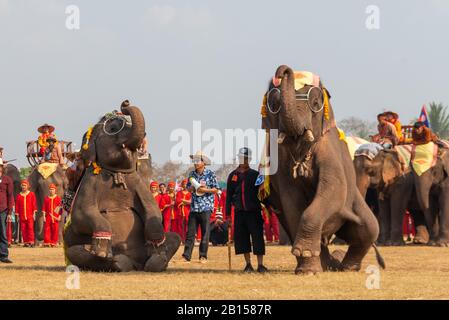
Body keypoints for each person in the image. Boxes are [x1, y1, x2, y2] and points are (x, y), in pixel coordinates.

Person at [226, 147, 268, 273]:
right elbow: (228, 196)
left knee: (257, 238)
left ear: (249, 159)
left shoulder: (255, 175)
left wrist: (270, 206)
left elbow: (262, 194)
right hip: (239, 213)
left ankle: (260, 265)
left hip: (254, 212)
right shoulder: (232, 176)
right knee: (242, 239)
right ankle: (248, 264)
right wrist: (227, 215)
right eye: (241, 157)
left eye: (245, 158)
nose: (243, 160)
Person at [182, 151, 219, 263]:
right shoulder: (191, 174)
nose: (195, 163)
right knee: (190, 233)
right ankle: (186, 256)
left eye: (198, 161)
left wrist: (204, 190)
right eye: (194, 161)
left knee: (205, 233)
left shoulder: (211, 174)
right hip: (194, 207)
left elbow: (216, 189)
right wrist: (193, 189)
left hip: (206, 207)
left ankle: (203, 256)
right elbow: (188, 188)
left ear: (203, 162)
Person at [15, 180, 37, 247]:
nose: (23, 187)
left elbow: (34, 204)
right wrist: (17, 215)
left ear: (28, 186)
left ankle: (31, 242)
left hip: (30, 214)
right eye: (22, 185)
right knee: (23, 229)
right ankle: (26, 242)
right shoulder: (19, 195)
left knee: (30, 228)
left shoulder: (31, 194)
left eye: (25, 185)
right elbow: (17, 206)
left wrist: (34, 213)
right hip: (22, 215)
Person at [0, 159, 14, 263]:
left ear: (2, 168)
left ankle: (3, 255)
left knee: (3, 233)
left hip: (2, 210)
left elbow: (10, 196)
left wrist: (9, 212)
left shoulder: (7, 179)